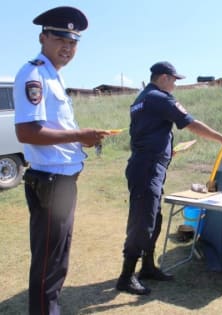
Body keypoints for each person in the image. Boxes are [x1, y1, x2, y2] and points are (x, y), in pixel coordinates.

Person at [13, 7, 110, 315]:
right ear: (43, 38)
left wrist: (81, 138)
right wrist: (79, 134)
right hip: (50, 182)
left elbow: (55, 130)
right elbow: (28, 132)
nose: (67, 47)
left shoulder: (53, 76)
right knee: (48, 262)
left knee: (56, 258)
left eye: (74, 42)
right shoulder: (34, 74)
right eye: (60, 38)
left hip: (61, 182)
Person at [116, 61, 222, 295]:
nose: (175, 84)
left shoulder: (141, 99)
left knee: (154, 218)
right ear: (163, 78)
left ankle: (148, 267)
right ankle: (126, 276)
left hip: (147, 164)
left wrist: (165, 149)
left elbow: (143, 134)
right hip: (148, 167)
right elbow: (190, 123)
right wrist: (221, 138)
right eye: (173, 80)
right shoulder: (159, 98)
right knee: (142, 221)